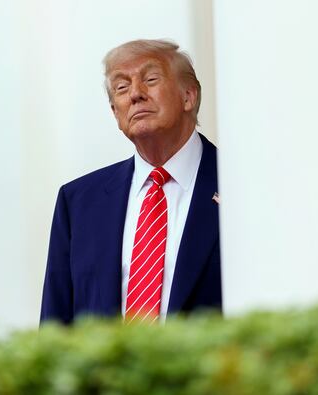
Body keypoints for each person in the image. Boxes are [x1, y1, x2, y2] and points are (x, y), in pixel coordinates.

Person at [40, 39, 221, 324]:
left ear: (188, 96)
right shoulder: (78, 202)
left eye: (150, 79)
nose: (135, 94)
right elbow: (56, 327)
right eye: (122, 87)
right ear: (116, 112)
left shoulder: (237, 182)